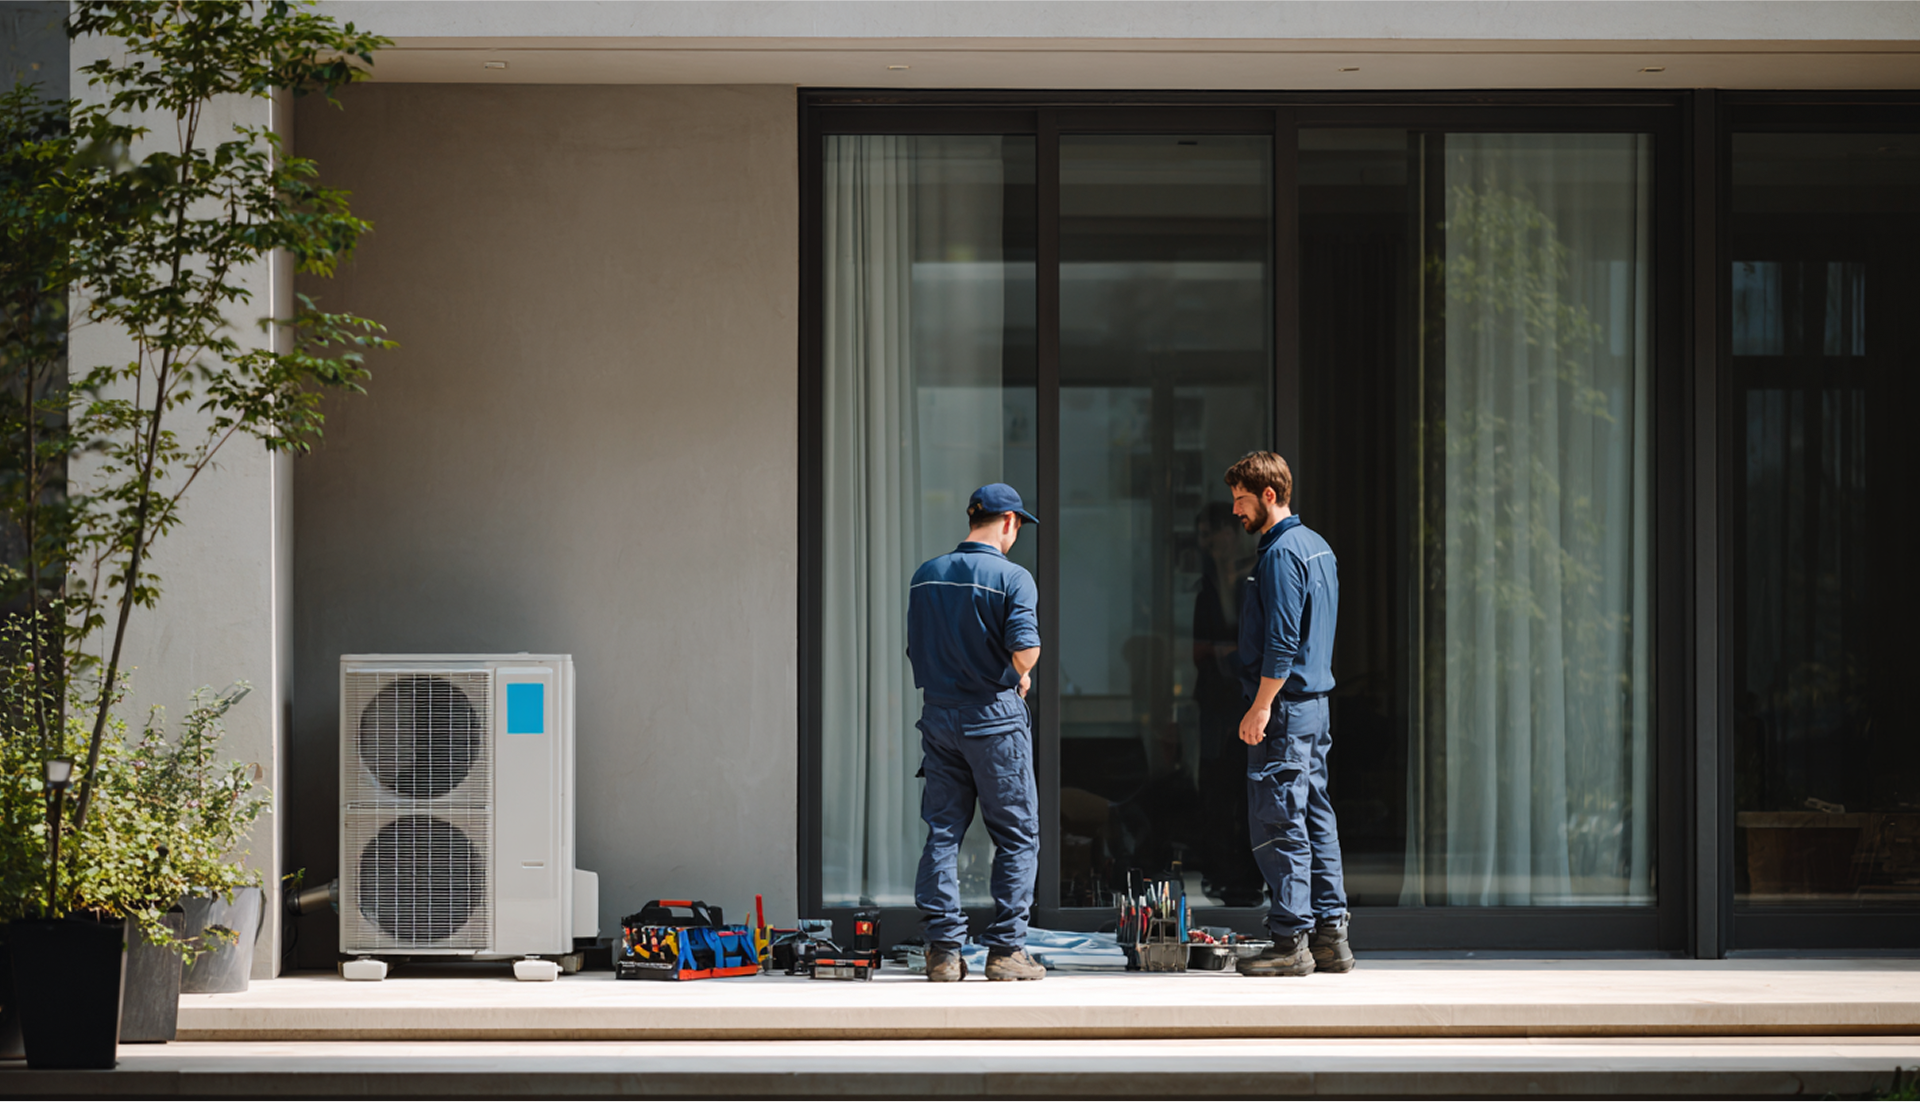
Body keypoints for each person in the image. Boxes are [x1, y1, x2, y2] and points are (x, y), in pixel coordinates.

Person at [906, 483, 1046, 983]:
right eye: (1018, 528)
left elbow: (916, 651)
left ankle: (943, 951)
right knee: (1016, 834)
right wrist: (1017, 676)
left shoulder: (926, 576)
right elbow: (1025, 652)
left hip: (940, 717)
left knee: (943, 831)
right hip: (994, 719)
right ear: (1008, 522)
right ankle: (1006, 951)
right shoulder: (1013, 577)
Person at [1224, 451, 1354, 977]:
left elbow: (1281, 644)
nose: (1236, 511)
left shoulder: (1280, 554)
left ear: (1269, 496)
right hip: (1314, 708)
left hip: (1285, 709)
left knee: (1280, 818)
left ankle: (1289, 939)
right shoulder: (1318, 547)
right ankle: (1331, 937)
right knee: (1316, 814)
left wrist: (1260, 706)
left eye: (1241, 500)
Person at [1192, 503, 1265, 906]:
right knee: (1216, 788)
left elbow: (1253, 645)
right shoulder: (1207, 585)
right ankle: (1223, 875)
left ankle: (1248, 879)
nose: (1210, 543)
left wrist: (1225, 653)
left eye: (1216, 532)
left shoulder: (1252, 578)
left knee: (1246, 787)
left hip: (1247, 698)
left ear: (1232, 534)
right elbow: (1200, 650)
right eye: (1204, 535)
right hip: (1214, 701)